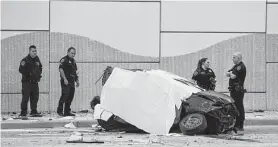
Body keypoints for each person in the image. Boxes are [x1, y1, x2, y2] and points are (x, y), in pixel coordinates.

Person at [19, 45, 42, 117]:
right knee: (26, 97)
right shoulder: (25, 60)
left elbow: (40, 67)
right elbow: (21, 70)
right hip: (27, 82)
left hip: (35, 82)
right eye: (33, 51)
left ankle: (34, 111)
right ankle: (23, 112)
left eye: (35, 51)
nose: (35, 53)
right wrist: (29, 74)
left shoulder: (37, 59)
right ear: (29, 51)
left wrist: (38, 74)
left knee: (35, 97)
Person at [226, 52, 246, 131]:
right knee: (236, 107)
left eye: (234, 57)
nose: (232, 59)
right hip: (234, 90)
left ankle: (240, 125)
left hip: (237, 91)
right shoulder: (236, 66)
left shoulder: (240, 67)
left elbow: (233, 76)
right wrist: (230, 73)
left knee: (239, 107)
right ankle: (237, 124)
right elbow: (227, 73)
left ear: (238, 58)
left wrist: (230, 74)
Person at [57, 47, 80, 116]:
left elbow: (75, 72)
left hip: (72, 81)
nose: (73, 55)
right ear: (68, 52)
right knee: (65, 95)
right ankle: (60, 111)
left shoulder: (73, 61)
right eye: (72, 53)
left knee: (70, 96)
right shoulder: (64, 60)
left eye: (74, 53)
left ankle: (67, 112)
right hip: (66, 81)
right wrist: (64, 79)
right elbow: (61, 69)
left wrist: (77, 80)